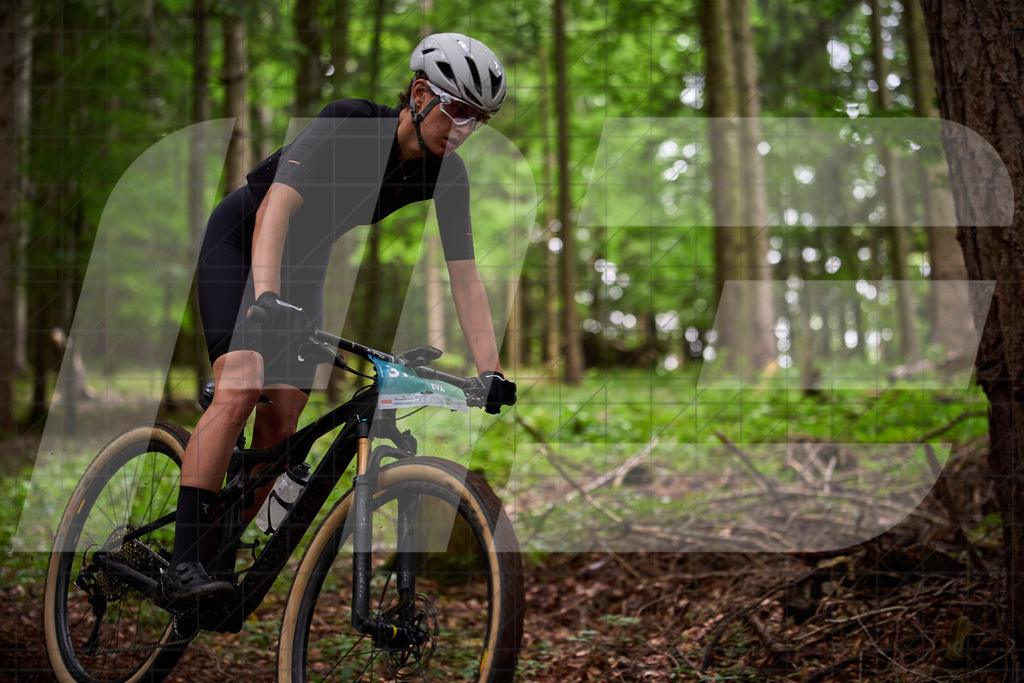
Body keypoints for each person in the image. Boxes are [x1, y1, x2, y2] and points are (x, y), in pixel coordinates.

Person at [160, 32, 517, 608]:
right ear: (421, 94)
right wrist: (266, 298)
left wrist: (491, 370)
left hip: (306, 267)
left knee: (280, 435)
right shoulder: (350, 121)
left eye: (477, 119)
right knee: (242, 383)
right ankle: (182, 566)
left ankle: (218, 560)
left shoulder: (448, 176)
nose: (463, 129)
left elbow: (465, 276)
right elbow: (276, 204)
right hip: (243, 239)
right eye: (457, 110)